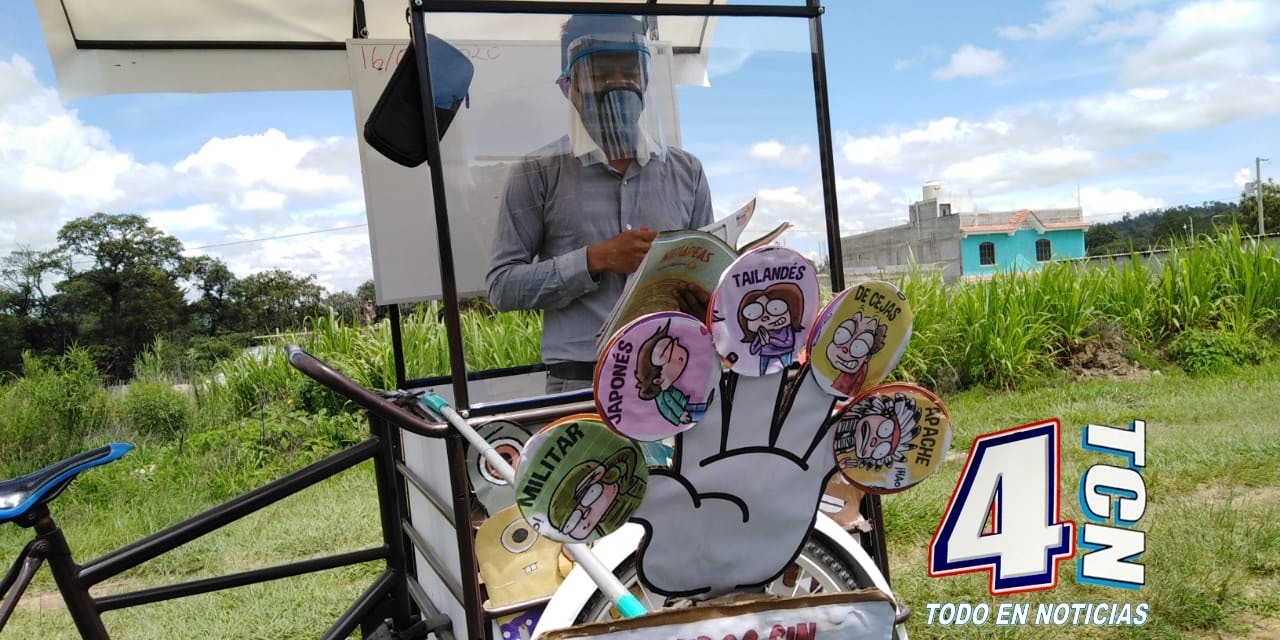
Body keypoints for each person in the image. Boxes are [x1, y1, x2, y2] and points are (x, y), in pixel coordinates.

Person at [486, 14, 714, 394]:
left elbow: (708, 274)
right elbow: (501, 287)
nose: (619, 84)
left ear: (645, 78)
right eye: (600, 72)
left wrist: (704, 292)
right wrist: (594, 260)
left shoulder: (686, 171)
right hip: (579, 380)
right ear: (568, 87)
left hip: (674, 369)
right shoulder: (537, 172)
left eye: (630, 71)